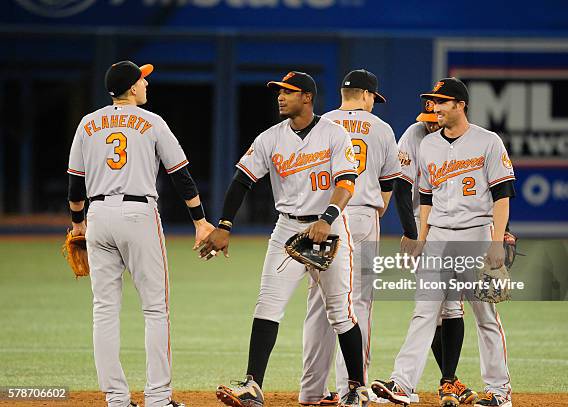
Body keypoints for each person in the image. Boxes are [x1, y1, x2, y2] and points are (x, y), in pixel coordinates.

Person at [200, 71, 369, 407]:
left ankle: (357, 387)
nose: (280, 97)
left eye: (288, 92)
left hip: (329, 230)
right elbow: (241, 181)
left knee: (340, 313)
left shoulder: (334, 135)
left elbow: (347, 181)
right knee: (268, 305)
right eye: (278, 92)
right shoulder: (270, 138)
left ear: (307, 97)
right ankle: (252, 386)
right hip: (288, 230)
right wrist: (224, 224)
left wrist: (327, 218)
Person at [67, 60, 214, 407]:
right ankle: (158, 399)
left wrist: (77, 224)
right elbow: (181, 175)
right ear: (132, 88)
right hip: (138, 214)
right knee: (155, 309)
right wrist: (199, 220)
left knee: (104, 309)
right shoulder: (151, 122)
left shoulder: (87, 124)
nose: (147, 85)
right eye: (143, 80)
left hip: (98, 214)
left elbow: (76, 183)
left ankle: (116, 399)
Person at [371, 77, 514, 407]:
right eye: (432, 101)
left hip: (476, 233)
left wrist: (495, 243)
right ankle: (403, 384)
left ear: (460, 105)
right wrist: (421, 238)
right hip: (438, 235)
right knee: (424, 312)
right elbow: (425, 196)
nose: (435, 106)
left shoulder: (488, 141)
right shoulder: (426, 146)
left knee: (485, 315)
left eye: (442, 101)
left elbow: (502, 195)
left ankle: (499, 393)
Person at [298, 69, 401, 406]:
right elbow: (388, 186)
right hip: (361, 215)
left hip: (323, 217)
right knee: (357, 304)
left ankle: (311, 390)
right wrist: (374, 212)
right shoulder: (382, 129)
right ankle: (352, 389)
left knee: (319, 302)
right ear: (368, 95)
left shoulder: (320, 122)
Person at [391, 99, 477, 404]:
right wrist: (411, 234)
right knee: (434, 309)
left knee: (448, 308)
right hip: (424, 223)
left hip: (460, 227)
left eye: (435, 117)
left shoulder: (471, 140)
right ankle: (447, 381)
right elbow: (402, 189)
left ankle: (448, 381)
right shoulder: (414, 135)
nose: (430, 123)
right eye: (427, 118)